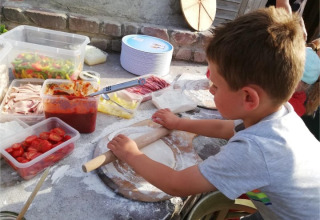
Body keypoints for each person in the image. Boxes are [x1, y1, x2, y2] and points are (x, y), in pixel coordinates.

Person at [107, 7, 320, 219]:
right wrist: (179, 123)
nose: (210, 90)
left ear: (249, 98)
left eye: (216, 86)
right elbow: (226, 128)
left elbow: (176, 184)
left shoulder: (253, 151)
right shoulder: (280, 115)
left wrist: (131, 153)